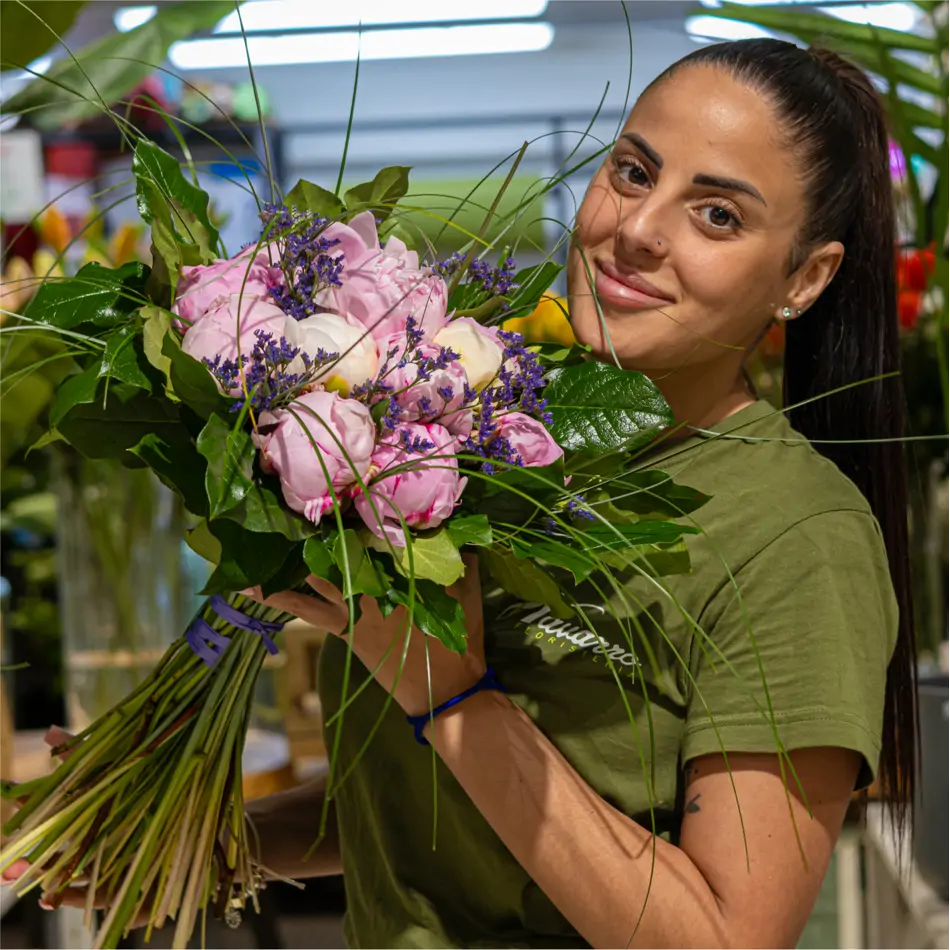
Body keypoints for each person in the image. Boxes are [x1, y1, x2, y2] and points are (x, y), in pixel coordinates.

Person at [7, 38, 916, 948]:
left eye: (717, 214)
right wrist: (201, 835)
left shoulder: (800, 536)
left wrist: (449, 691)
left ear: (804, 277)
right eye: (634, 172)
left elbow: (724, 938)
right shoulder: (489, 437)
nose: (639, 228)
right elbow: (439, 806)